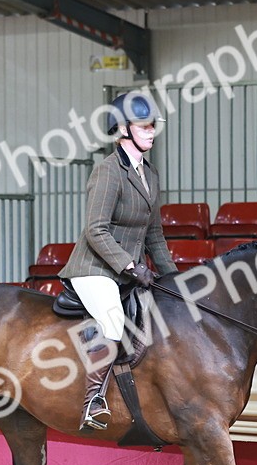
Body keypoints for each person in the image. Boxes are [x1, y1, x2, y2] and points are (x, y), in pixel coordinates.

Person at [59, 91, 177, 432]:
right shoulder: (108, 172)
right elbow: (95, 231)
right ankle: (93, 400)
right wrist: (129, 265)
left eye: (153, 125)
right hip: (95, 268)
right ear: (123, 129)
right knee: (112, 323)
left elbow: (155, 234)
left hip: (127, 273)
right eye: (144, 126)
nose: (152, 131)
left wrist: (174, 279)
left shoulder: (150, 175)